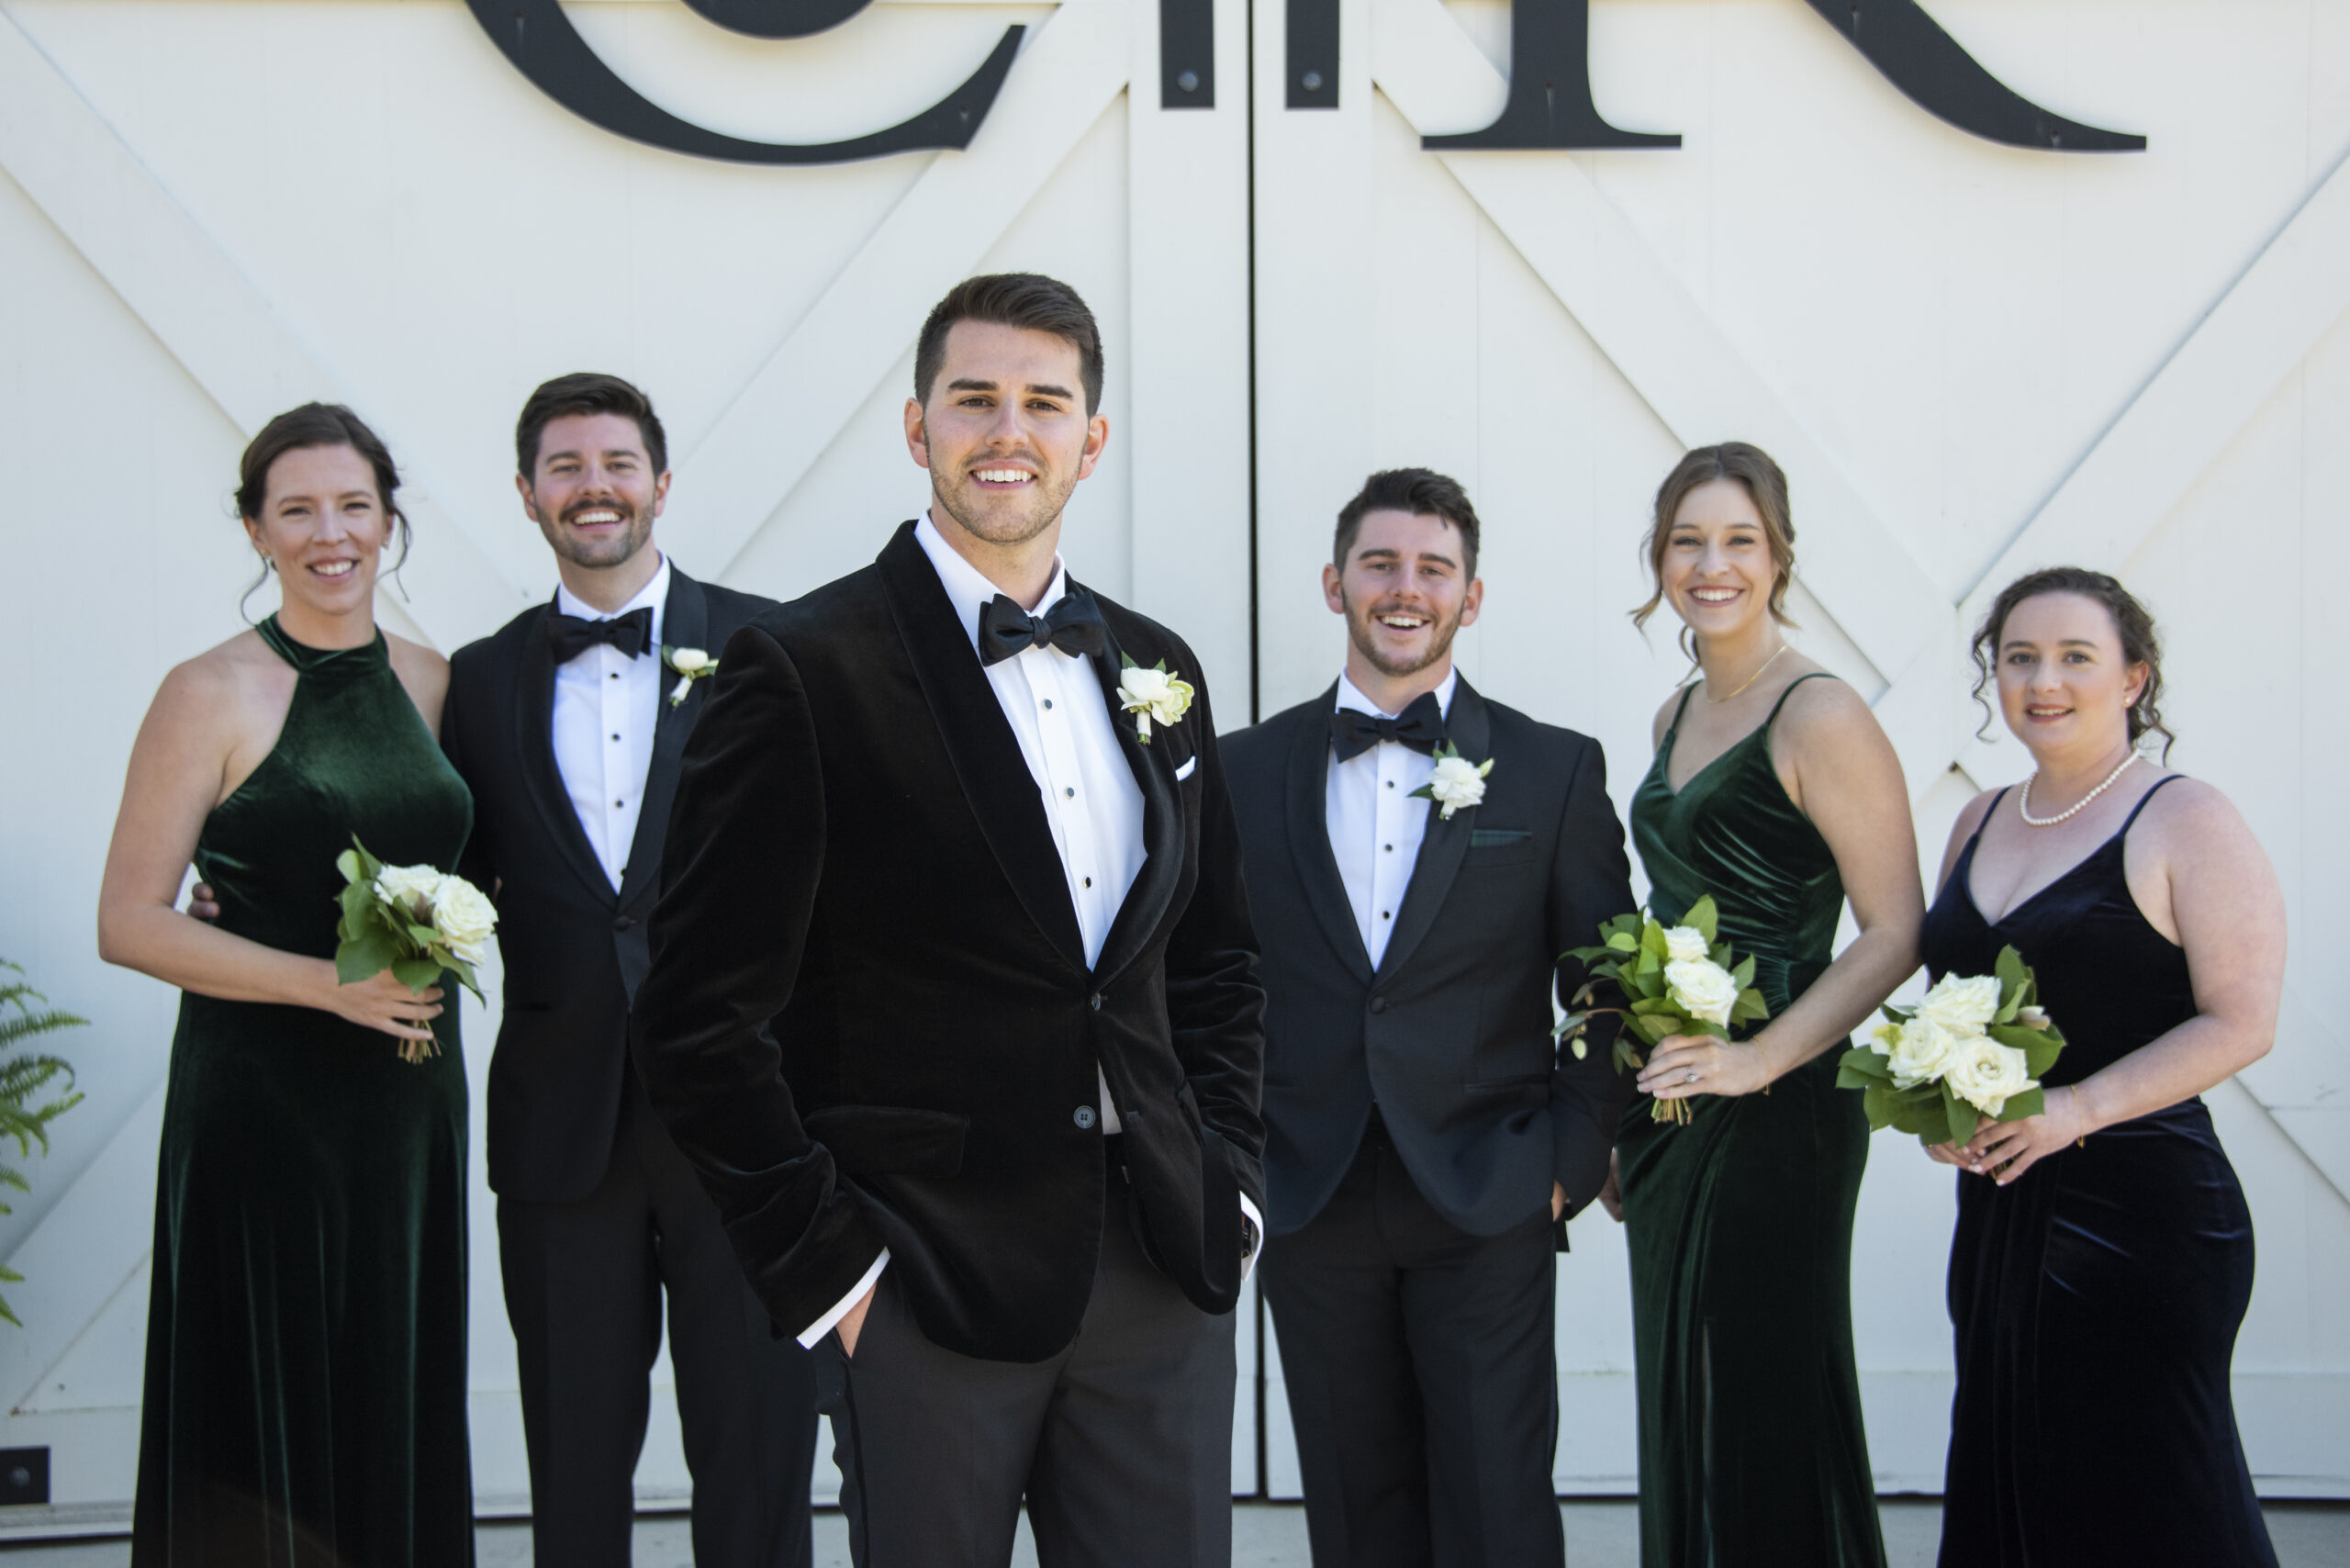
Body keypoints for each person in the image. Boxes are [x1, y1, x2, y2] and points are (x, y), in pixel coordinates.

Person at [627, 273, 1266, 1568]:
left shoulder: (1161, 666)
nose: (1007, 431)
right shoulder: (800, 671)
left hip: (1156, 1269)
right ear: (917, 429)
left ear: (1094, 440)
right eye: (973, 399)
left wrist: (1232, 1183)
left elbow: (1216, 961)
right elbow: (699, 1019)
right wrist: (831, 1273)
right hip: (921, 1286)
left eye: (1045, 402)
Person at [1222, 468, 1635, 1567]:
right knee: (1355, 1515)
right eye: (1380, 564)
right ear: (1333, 583)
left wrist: (1568, 1152)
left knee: (1497, 1505)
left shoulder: (1551, 771)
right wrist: (1235, 1151)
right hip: (1309, 1186)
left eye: (1432, 568)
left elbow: (1604, 984)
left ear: (1471, 595)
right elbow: (1209, 978)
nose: (1406, 589)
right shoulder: (1239, 770)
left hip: (1487, 1186)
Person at [439, 374, 818, 1568]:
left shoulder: (774, 647)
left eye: (615, 463)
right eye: (565, 467)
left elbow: (847, 854)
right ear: (525, 494)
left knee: (758, 1460)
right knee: (575, 1466)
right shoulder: (479, 681)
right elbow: (433, 864)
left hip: (749, 1126)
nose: (592, 487)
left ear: (661, 482)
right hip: (562, 1128)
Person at [97, 404, 476, 1565]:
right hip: (263, 1104)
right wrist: (328, 986)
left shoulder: (432, 678)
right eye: (298, 509)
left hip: (407, 1104)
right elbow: (127, 922)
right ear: (258, 530)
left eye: (353, 506)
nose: (330, 533)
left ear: (389, 521)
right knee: (271, 1381)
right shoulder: (206, 691)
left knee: (393, 1379)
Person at [1921, 567, 2282, 1567]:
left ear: (2133, 678)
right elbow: (1959, 1016)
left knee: (2155, 1497)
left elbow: (2243, 1020)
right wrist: (1943, 1107)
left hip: (2144, 1221)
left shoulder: (2183, 818)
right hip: (2000, 1213)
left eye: (2076, 656)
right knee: (2013, 1480)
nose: (2044, 679)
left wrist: (2076, 1105)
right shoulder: (1978, 819)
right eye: (2018, 656)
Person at [1606, 442, 1920, 1568]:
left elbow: (1893, 930)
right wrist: (1628, 1102)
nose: (1711, 563)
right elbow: (1667, 925)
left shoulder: (1818, 712)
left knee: (1766, 1397)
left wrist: (1758, 1061)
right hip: (1677, 1105)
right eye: (1687, 539)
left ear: (1780, 556)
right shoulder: (1674, 712)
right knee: (1683, 1394)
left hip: (1783, 1109)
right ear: (1658, 558)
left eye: (1739, 538)